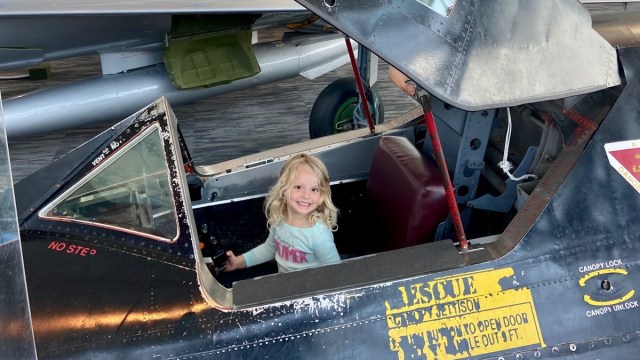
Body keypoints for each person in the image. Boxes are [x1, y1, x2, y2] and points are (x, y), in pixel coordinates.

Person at [225, 153, 340, 273]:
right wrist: (239, 262)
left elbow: (337, 271)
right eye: (298, 187)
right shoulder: (280, 220)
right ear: (283, 189)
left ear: (322, 195)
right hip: (284, 286)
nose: (306, 195)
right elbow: (269, 249)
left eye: (314, 189)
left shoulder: (319, 235)